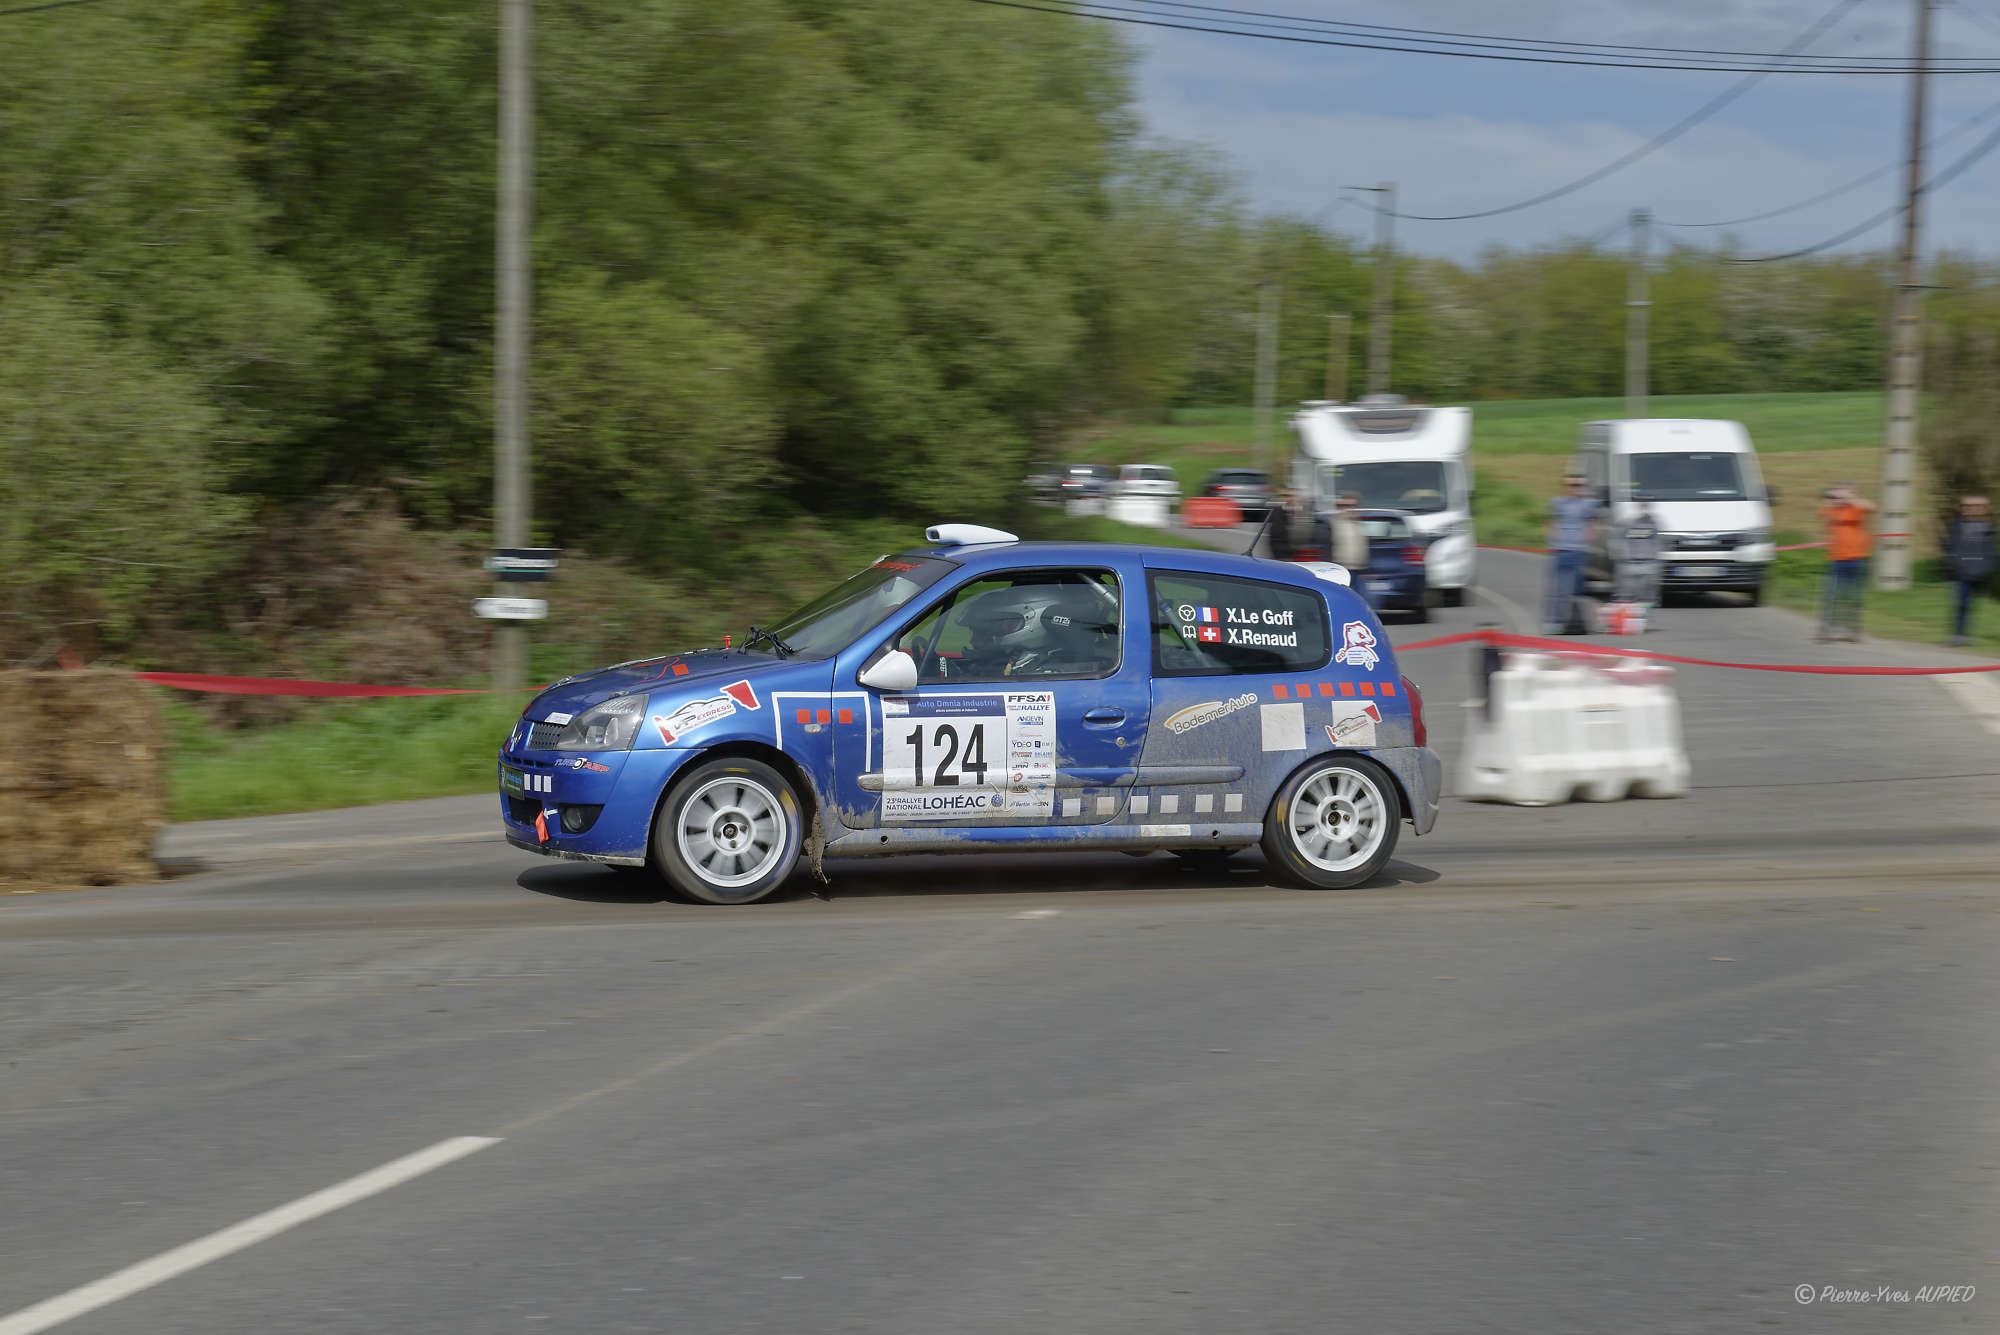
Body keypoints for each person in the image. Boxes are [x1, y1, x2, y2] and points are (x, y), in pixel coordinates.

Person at [1817, 482, 1875, 642]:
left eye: (1843, 493)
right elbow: (1822, 515)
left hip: (1856, 558)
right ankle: (1826, 631)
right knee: (1831, 596)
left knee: (1853, 597)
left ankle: (1853, 631)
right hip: (1835, 559)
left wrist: (1850, 498)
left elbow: (1871, 507)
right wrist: (1833, 500)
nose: (1839, 497)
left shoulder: (1856, 507)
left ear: (1853, 493)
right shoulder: (1832, 509)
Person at [1544, 473, 1600, 635]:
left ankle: (1577, 621)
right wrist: (1554, 537)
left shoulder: (1589, 504)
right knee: (1558, 590)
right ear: (1566, 487)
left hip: (1578, 551)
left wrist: (1587, 538)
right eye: (1572, 485)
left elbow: (1595, 524)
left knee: (1577, 590)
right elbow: (1552, 522)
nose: (1575, 489)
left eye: (1579, 485)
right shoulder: (1558, 503)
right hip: (1562, 551)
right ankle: (1554, 622)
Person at [1942, 494, 1996, 646]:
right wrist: (1954, 564)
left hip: (1977, 574)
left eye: (1976, 507)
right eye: (1966, 507)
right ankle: (1957, 636)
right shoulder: (1957, 525)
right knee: (1960, 604)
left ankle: (1964, 636)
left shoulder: (1988, 528)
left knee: (1969, 606)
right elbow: (1952, 548)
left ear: (1984, 509)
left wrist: (1985, 569)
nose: (1969, 510)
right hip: (1960, 573)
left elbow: (1989, 552)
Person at [1614, 501, 1662, 612]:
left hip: (1648, 562)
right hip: (1631, 563)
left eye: (1647, 507)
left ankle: (1643, 620)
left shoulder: (1654, 524)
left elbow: (1658, 543)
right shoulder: (1627, 523)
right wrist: (1625, 560)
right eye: (1643, 507)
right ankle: (1630, 620)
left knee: (1647, 596)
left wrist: (1655, 560)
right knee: (1629, 595)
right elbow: (1621, 542)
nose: (1645, 510)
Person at [1329, 491, 1369, 571]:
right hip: (1340, 569)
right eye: (1342, 505)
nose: (1347, 508)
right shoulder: (1332, 523)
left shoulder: (1359, 523)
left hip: (1359, 568)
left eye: (1351, 506)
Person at [1265, 489, 1295, 561]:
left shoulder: (1299, 512)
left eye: (1291, 496)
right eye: (1285, 496)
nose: (1288, 499)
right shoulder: (1276, 512)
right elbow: (1275, 533)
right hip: (1281, 552)